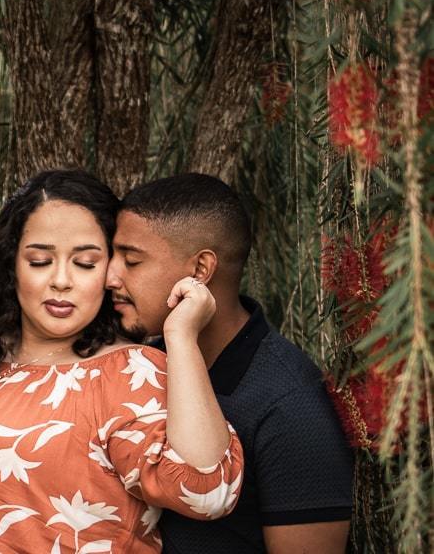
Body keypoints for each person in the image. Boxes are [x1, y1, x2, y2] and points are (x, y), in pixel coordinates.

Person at [0, 169, 244, 553]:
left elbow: (207, 491)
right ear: (11, 265)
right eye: (39, 261)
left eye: (85, 263)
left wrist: (181, 337)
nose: (61, 280)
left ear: (110, 271)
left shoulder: (132, 374)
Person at [106, 173, 353, 554]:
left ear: (200, 270)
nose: (110, 277)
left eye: (132, 260)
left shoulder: (291, 405)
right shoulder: (140, 366)